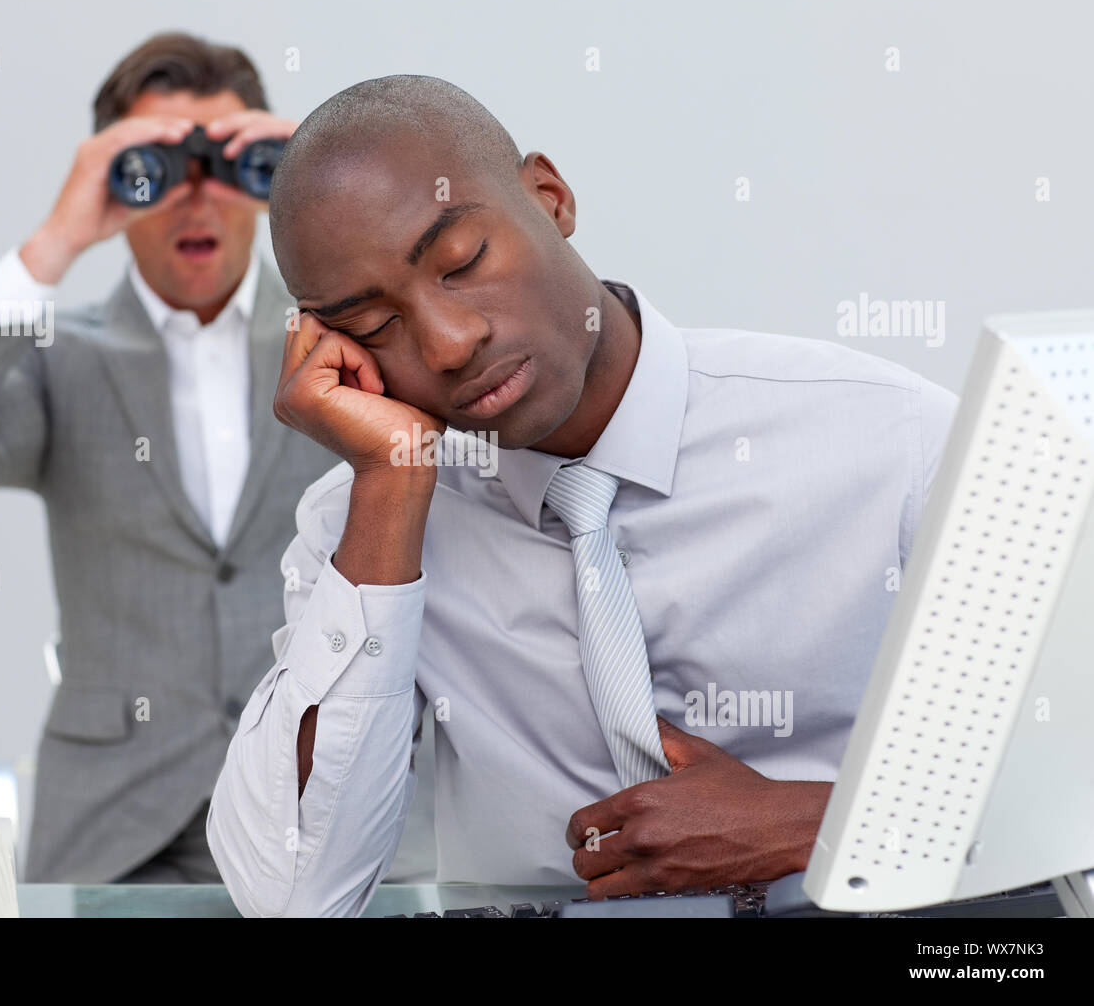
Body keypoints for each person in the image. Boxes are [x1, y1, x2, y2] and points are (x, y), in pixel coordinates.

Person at [206, 74, 961, 917]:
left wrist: (823, 825)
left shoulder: (890, 439)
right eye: (377, 326)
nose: (451, 343)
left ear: (549, 197)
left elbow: (1066, 783)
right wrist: (388, 487)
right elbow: (291, 893)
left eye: (462, 262)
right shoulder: (366, 526)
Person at [0, 33, 342, 883]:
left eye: (227, 163)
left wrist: (324, 181)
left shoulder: (339, 332)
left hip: (324, 810)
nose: (196, 201)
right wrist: (56, 238)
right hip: (121, 831)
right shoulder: (58, 356)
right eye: (158, 165)